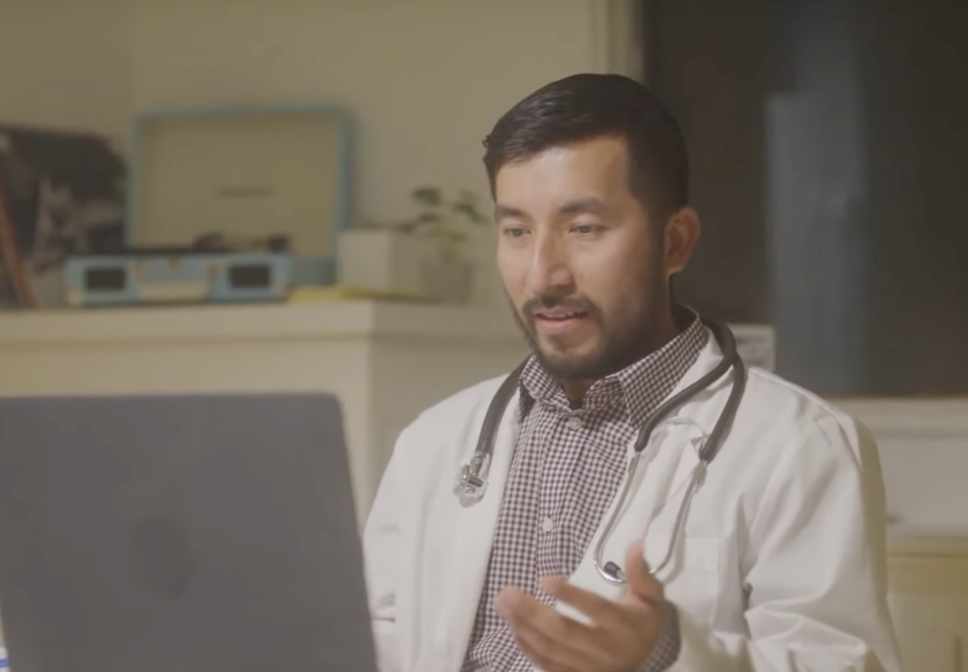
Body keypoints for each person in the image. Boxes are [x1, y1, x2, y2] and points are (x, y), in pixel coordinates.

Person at [361, 73, 902, 672]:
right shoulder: (434, 441)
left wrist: (666, 655)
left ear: (675, 243)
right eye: (517, 231)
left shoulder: (799, 446)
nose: (543, 274)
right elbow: (372, 638)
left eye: (583, 229)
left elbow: (841, 664)